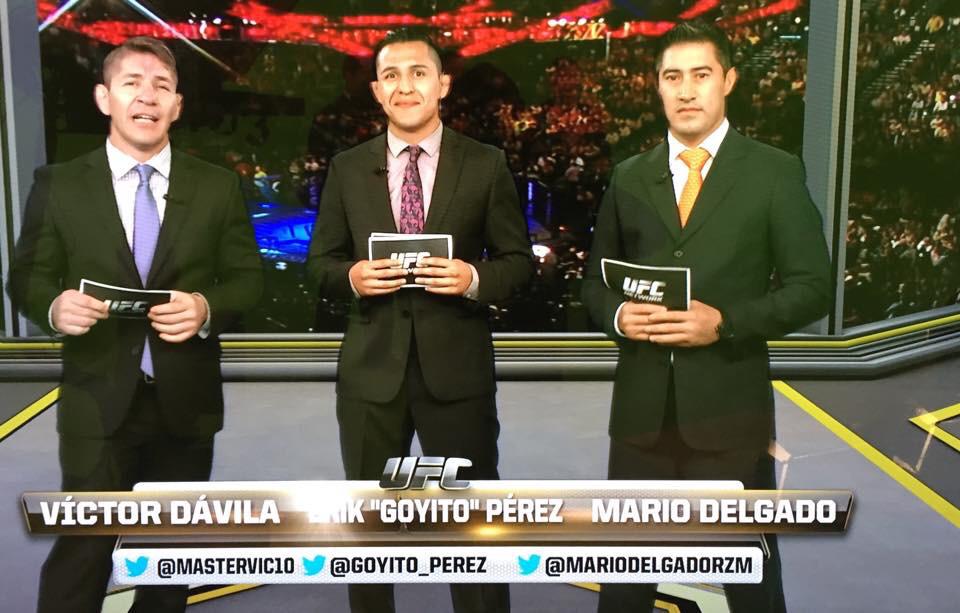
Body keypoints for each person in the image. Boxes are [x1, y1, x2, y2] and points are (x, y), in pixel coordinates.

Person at [582, 21, 831, 613]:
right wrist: (619, 316)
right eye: (673, 77)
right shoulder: (629, 175)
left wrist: (724, 323)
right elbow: (593, 284)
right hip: (640, 413)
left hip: (730, 409)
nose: (686, 90)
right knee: (625, 579)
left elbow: (813, 288)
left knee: (750, 579)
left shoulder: (773, 171)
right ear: (657, 87)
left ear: (729, 81)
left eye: (701, 75)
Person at [7, 37, 263, 613]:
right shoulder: (60, 183)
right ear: (105, 98)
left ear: (177, 105)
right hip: (97, 401)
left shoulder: (217, 186)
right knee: (82, 556)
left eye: (162, 86)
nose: (147, 96)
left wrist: (205, 307)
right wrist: (53, 307)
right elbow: (26, 278)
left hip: (186, 403)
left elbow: (248, 279)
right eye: (132, 83)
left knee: (170, 563)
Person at [307, 29, 531, 613]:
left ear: (443, 85)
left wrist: (473, 278)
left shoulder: (485, 164)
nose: (405, 86)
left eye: (418, 73)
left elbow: (518, 263)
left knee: (473, 526)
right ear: (377, 91)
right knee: (369, 529)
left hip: (457, 375)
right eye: (392, 76)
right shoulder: (347, 168)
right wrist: (353, 277)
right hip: (370, 375)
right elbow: (320, 264)